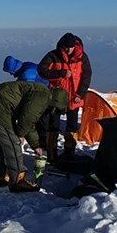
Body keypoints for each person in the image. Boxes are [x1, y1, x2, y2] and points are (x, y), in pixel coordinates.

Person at [0, 80, 68, 192]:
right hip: (1, 107)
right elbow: (27, 118)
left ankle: (0, 176)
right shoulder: (43, 96)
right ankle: (18, 180)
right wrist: (20, 134)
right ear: (56, 102)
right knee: (13, 145)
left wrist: (35, 145)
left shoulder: (41, 93)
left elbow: (29, 122)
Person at [37, 32, 92, 161]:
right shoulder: (53, 55)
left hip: (75, 97)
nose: (68, 50)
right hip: (56, 97)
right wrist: (60, 73)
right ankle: (52, 154)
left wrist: (81, 94)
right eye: (66, 47)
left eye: (70, 47)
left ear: (75, 46)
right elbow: (41, 70)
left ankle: (69, 153)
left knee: (72, 127)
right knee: (53, 126)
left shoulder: (82, 57)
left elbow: (86, 76)